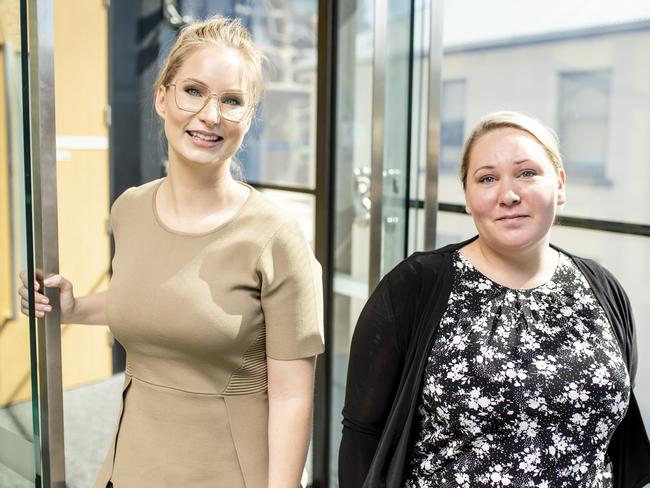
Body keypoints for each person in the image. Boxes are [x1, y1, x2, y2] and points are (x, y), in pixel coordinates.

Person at [19, 16, 324, 488]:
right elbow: (151, 304)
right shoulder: (131, 208)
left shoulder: (277, 236)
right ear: (163, 97)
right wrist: (74, 308)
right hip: (129, 465)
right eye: (193, 91)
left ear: (249, 116)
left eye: (232, 101)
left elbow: (291, 397)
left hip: (231, 473)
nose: (210, 115)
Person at [339, 111, 650, 488]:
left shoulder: (603, 289)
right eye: (487, 178)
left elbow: (619, 441)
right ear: (468, 197)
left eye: (527, 173)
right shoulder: (415, 286)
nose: (509, 195)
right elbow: (362, 432)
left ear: (560, 185)